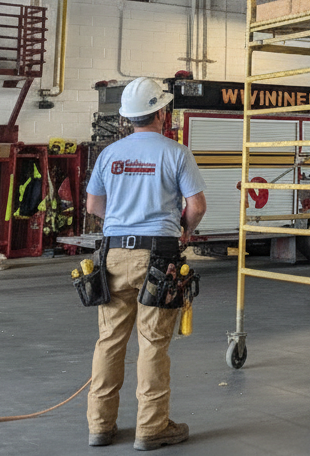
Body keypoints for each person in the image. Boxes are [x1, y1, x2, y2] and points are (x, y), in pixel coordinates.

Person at [84, 76, 207, 450]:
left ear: (128, 117)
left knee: (109, 342)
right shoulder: (176, 152)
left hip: (113, 254)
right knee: (153, 344)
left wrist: (121, 221)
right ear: (161, 112)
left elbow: (93, 206)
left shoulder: (109, 154)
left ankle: (100, 427)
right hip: (160, 256)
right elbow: (197, 206)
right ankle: (152, 428)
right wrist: (184, 230)